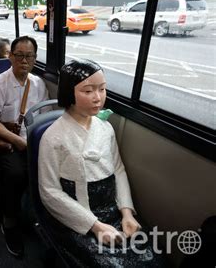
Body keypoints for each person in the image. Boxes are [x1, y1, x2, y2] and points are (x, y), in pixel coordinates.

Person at [38, 59, 164, 267]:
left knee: (153, 258)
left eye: (102, 89)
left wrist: (126, 212)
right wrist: (95, 226)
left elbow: (118, 170)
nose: (98, 98)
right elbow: (49, 191)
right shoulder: (53, 138)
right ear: (69, 93)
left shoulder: (105, 129)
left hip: (112, 209)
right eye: (88, 91)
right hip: (76, 215)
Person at [0, 36, 49, 257]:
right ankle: (9, 222)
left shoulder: (38, 84)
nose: (24, 60)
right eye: (19, 55)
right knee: (16, 174)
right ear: (10, 56)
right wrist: (19, 141)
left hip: (33, 140)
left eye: (29, 56)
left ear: (35, 59)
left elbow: (44, 118)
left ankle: (38, 215)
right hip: (10, 142)